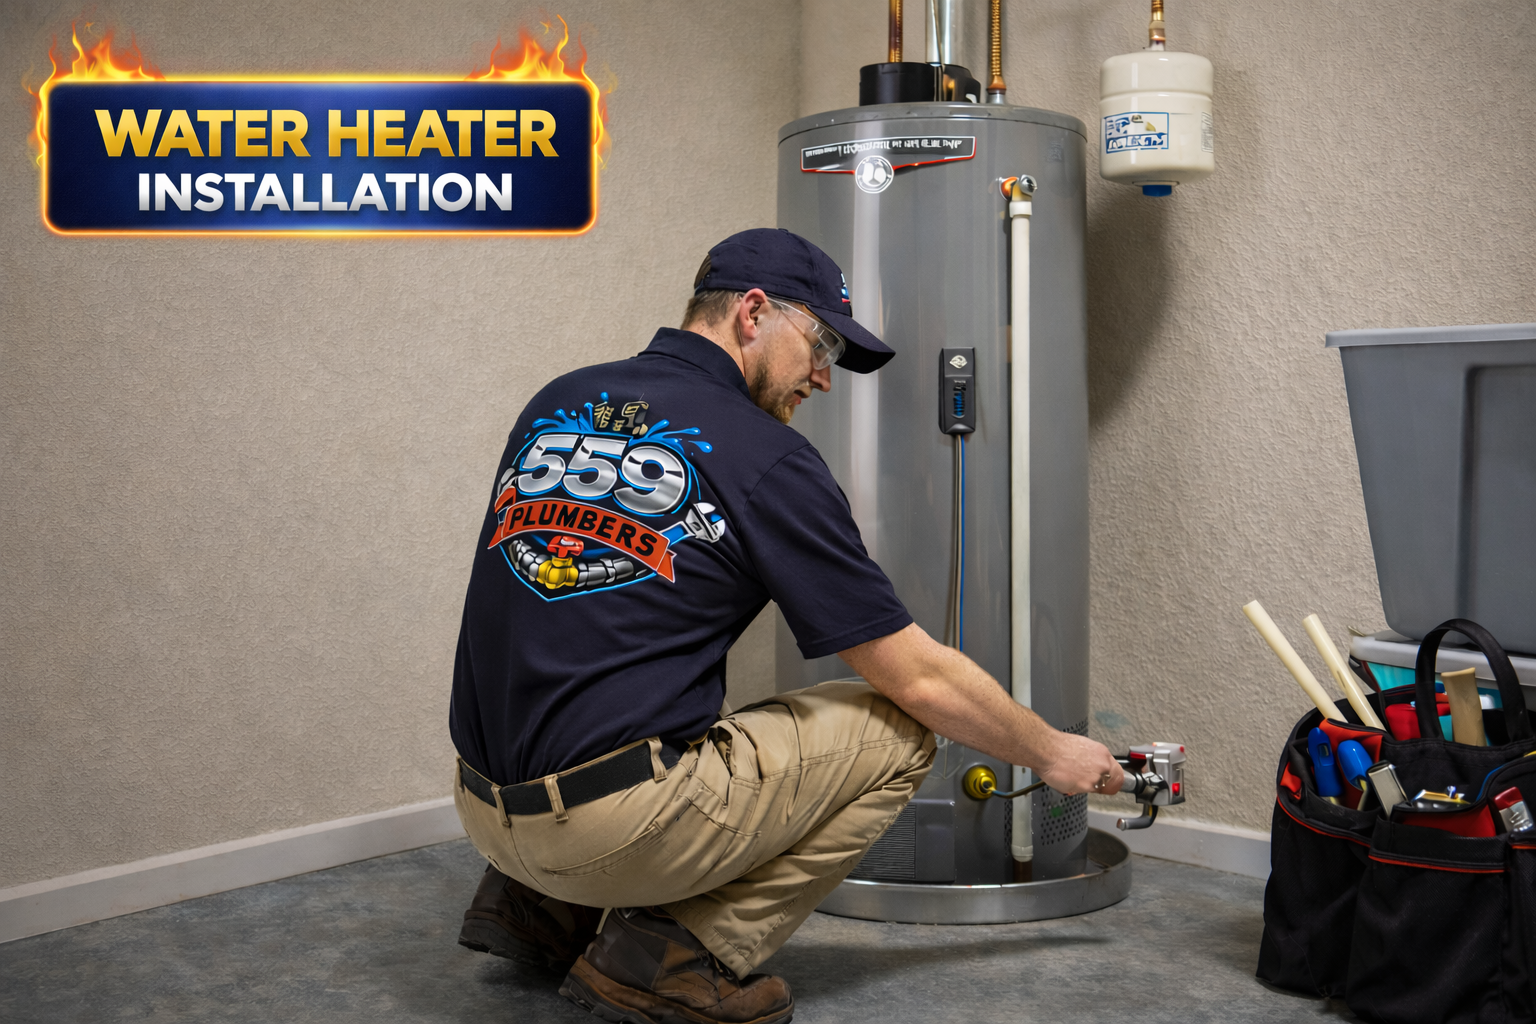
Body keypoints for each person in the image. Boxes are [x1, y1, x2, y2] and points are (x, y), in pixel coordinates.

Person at [448, 228, 1124, 1024]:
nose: (824, 377)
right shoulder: (766, 458)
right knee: (899, 729)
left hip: (480, 811)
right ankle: (666, 955)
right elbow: (918, 676)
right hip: (605, 832)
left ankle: (534, 908)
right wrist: (1050, 752)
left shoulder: (559, 400)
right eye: (821, 343)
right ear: (754, 312)